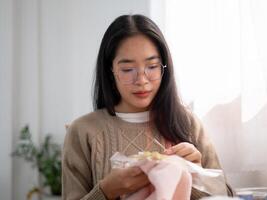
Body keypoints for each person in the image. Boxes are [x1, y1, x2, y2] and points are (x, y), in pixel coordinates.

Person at [62, 14, 233, 200]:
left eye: (152, 66)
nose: (142, 81)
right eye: (128, 70)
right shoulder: (84, 131)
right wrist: (107, 190)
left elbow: (227, 196)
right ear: (111, 71)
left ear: (164, 67)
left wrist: (196, 175)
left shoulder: (187, 123)